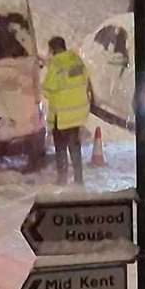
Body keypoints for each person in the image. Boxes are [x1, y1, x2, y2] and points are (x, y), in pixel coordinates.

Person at [41, 36, 91, 187]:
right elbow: (86, 80)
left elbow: (48, 89)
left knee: (61, 148)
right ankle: (78, 178)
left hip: (61, 115)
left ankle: (62, 178)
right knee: (75, 147)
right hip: (76, 114)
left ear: (53, 49)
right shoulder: (76, 60)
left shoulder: (56, 64)